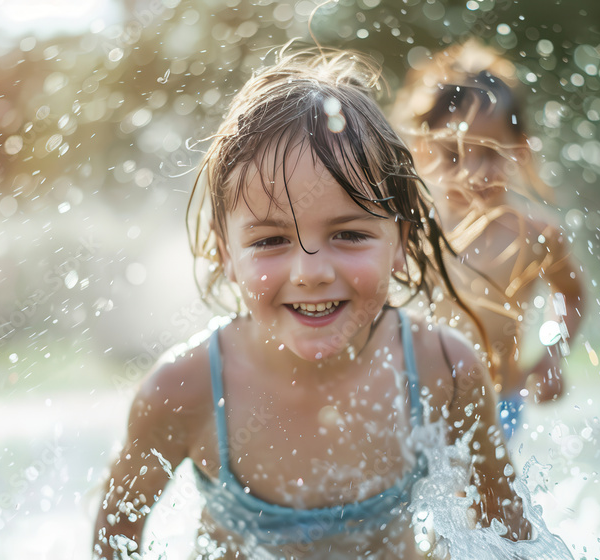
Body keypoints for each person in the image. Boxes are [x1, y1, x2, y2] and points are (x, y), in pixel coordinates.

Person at [93, 46, 530, 559]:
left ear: (402, 242)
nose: (312, 272)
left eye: (348, 234)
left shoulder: (444, 371)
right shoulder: (184, 391)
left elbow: (509, 535)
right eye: (270, 241)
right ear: (224, 253)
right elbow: (114, 541)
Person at [390, 40, 586, 439]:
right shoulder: (410, 226)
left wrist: (552, 353)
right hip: (413, 403)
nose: (474, 173)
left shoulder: (535, 234)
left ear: (520, 150)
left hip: (499, 404)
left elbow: (571, 295)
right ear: (423, 151)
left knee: (484, 500)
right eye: (454, 156)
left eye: (491, 155)